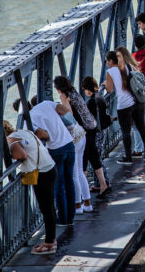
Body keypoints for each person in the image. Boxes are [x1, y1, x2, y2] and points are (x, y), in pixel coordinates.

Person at [4, 120, 58, 254]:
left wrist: (10, 154)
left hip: (41, 173)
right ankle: (51, 240)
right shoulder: (23, 132)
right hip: (50, 167)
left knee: (46, 208)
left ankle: (50, 244)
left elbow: (21, 155)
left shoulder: (11, 140)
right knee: (49, 207)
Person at [54, 76, 106, 211]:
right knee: (81, 171)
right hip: (85, 132)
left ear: (58, 88)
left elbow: (68, 114)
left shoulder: (64, 96)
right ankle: (87, 203)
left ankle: (78, 205)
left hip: (77, 134)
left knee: (75, 173)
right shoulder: (74, 92)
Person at [29, 99, 76, 226]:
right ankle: (71, 217)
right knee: (69, 182)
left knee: (59, 185)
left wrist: (49, 133)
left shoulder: (30, 117)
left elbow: (44, 135)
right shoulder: (45, 103)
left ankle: (63, 219)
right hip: (69, 144)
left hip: (56, 149)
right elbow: (64, 110)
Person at [104, 49, 145, 164]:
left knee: (126, 131)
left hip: (124, 105)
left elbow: (109, 89)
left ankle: (128, 157)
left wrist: (105, 84)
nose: (106, 63)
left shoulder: (110, 71)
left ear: (111, 61)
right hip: (137, 102)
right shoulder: (129, 66)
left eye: (106, 61)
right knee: (141, 128)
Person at [80, 76, 111, 196]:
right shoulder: (100, 97)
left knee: (96, 159)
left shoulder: (91, 102)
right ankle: (100, 183)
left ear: (87, 89)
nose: (85, 92)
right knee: (97, 158)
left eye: (84, 90)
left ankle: (104, 183)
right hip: (101, 130)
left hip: (95, 132)